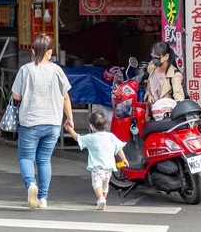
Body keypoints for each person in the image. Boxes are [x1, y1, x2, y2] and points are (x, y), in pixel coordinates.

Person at [10, 34, 74, 210]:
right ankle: (43, 198)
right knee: (44, 160)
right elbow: (66, 97)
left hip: (30, 122)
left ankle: (31, 185)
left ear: (32, 51)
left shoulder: (26, 69)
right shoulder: (57, 70)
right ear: (50, 52)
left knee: (26, 157)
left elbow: (16, 96)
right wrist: (69, 118)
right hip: (53, 122)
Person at [66, 111, 127, 210]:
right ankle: (103, 199)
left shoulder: (91, 138)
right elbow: (119, 148)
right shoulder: (111, 136)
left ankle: (100, 199)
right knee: (105, 185)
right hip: (109, 168)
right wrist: (124, 159)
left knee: (97, 184)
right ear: (106, 125)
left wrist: (69, 129)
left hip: (97, 168)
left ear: (92, 126)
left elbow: (78, 138)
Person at [144, 41, 185, 108]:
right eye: (153, 55)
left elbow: (179, 96)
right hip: (152, 113)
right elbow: (148, 89)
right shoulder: (151, 68)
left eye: (157, 56)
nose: (154, 59)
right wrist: (149, 95)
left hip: (167, 115)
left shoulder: (175, 75)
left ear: (166, 56)